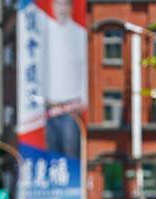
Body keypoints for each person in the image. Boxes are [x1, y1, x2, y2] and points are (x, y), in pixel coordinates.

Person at [44, 0, 86, 158]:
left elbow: (84, 68)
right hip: (50, 109)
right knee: (53, 156)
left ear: (70, 7)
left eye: (64, 4)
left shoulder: (79, 33)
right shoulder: (46, 35)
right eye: (57, 4)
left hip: (71, 109)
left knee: (71, 156)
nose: (60, 9)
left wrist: (82, 100)